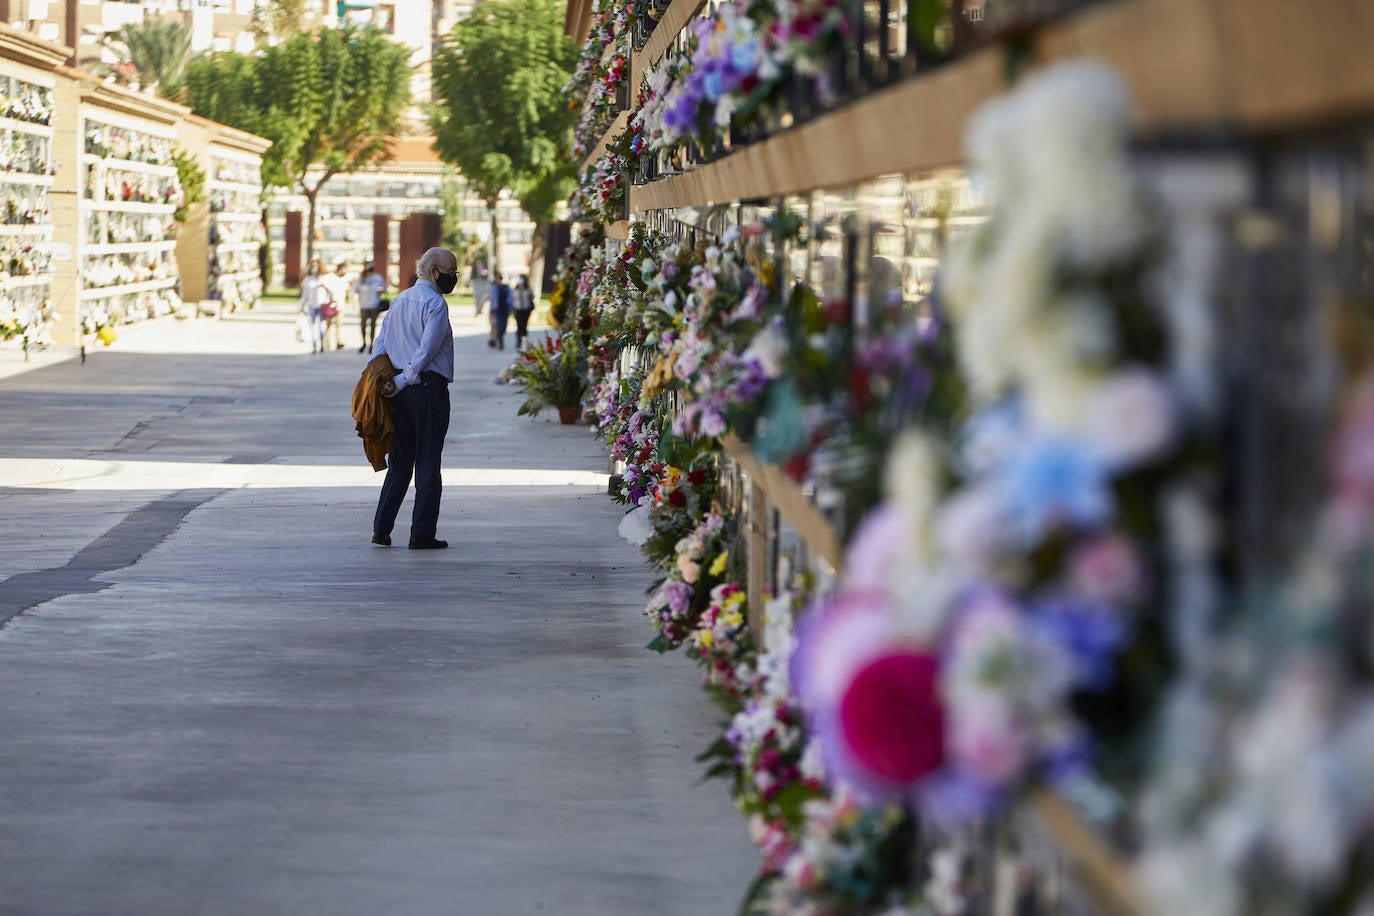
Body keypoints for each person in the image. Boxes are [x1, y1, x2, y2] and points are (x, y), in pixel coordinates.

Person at [370, 246, 458, 550]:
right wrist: (404, 378)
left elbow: (380, 345)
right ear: (434, 272)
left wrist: (386, 381)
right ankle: (421, 533)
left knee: (400, 462)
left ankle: (381, 528)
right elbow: (427, 350)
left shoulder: (399, 301)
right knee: (428, 462)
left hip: (398, 393)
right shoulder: (435, 304)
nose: (454, 278)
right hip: (427, 391)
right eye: (451, 273)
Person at [354, 261, 386, 354]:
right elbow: (356, 290)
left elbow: (383, 289)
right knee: (363, 325)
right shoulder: (362, 278)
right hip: (364, 305)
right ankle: (364, 343)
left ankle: (371, 344)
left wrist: (380, 290)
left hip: (374, 305)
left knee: (373, 326)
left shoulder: (378, 278)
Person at [320, 259, 350, 350]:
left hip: (341, 305)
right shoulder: (330, 277)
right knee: (328, 325)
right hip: (331, 305)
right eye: (345, 269)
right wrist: (330, 292)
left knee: (339, 325)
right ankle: (328, 342)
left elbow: (347, 288)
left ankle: (338, 342)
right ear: (340, 269)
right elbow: (322, 283)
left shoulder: (345, 278)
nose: (346, 272)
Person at [299, 259, 326, 353]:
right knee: (313, 325)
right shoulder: (308, 279)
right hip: (312, 304)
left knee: (322, 325)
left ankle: (322, 343)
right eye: (313, 266)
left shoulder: (323, 278)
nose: (314, 268)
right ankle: (314, 345)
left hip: (322, 304)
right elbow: (305, 294)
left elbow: (329, 292)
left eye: (316, 266)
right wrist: (302, 304)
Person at [489, 271, 512, 350]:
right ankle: (500, 341)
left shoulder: (506, 287)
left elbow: (510, 298)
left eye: (500, 278)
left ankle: (499, 337)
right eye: (497, 278)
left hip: (505, 309)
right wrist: (492, 310)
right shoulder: (494, 287)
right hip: (496, 310)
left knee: (504, 326)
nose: (499, 280)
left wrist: (511, 307)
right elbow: (492, 299)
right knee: (497, 326)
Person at [511, 274, 535, 350]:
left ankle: (524, 342)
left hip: (526, 310)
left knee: (524, 326)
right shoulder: (515, 290)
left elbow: (532, 296)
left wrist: (525, 289)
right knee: (519, 326)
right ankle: (519, 341)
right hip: (518, 310)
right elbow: (512, 299)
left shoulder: (528, 289)